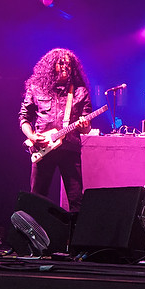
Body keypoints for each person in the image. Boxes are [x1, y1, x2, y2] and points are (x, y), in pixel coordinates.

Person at [19, 48, 93, 213]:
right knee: (37, 198)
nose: (65, 67)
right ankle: (37, 236)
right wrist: (32, 136)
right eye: (61, 63)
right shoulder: (36, 87)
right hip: (43, 148)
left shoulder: (80, 91)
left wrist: (84, 126)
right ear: (51, 66)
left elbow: (87, 126)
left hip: (70, 149)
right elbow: (24, 118)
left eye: (69, 64)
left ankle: (73, 237)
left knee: (76, 201)